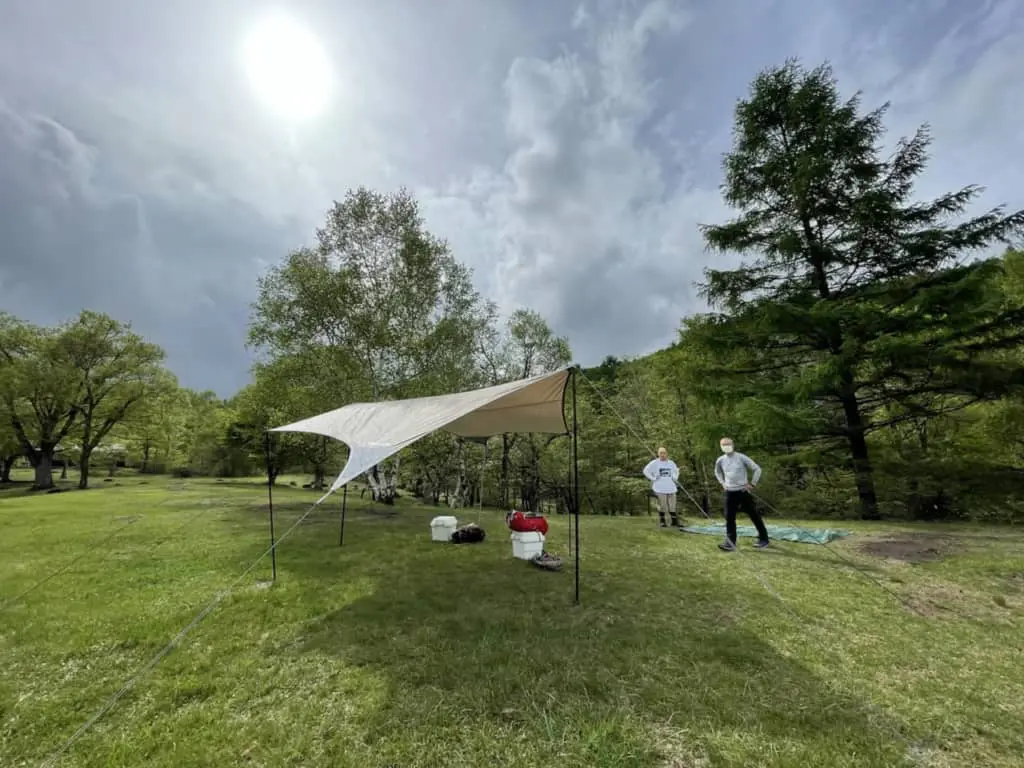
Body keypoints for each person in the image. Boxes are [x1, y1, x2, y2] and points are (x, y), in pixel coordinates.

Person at [714, 437, 769, 550]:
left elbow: (757, 469)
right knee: (729, 518)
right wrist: (722, 483)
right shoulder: (720, 460)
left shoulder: (741, 457)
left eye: (728, 444)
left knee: (754, 515)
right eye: (724, 445)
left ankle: (764, 539)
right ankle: (730, 543)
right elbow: (717, 472)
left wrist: (752, 484)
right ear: (721, 447)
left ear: (733, 445)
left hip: (743, 492)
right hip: (729, 493)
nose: (726, 446)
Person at [643, 447, 680, 528]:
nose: (663, 455)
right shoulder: (654, 463)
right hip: (659, 488)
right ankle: (662, 522)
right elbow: (645, 471)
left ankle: (674, 522)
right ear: (658, 454)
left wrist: (675, 478)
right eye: (661, 453)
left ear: (667, 454)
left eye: (664, 453)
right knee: (663, 506)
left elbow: (676, 471)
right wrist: (653, 478)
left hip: (671, 487)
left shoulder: (671, 463)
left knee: (672, 506)